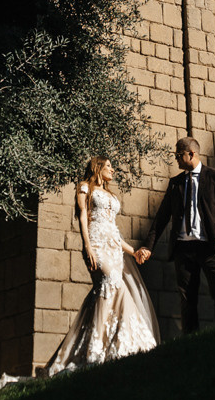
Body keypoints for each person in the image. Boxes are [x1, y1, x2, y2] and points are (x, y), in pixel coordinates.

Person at [38, 156, 159, 376]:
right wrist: (87, 246)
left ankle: (116, 344)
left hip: (113, 248)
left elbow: (113, 230)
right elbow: (83, 216)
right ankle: (95, 349)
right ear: (98, 167)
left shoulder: (111, 194)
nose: (113, 170)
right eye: (109, 166)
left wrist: (133, 251)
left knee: (109, 291)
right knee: (110, 283)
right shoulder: (85, 187)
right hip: (96, 245)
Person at [146, 137, 215, 332]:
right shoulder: (175, 183)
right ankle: (190, 341)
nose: (176, 159)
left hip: (210, 246)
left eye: (179, 155)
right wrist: (148, 246)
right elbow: (161, 218)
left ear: (191, 154)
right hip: (183, 248)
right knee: (187, 300)